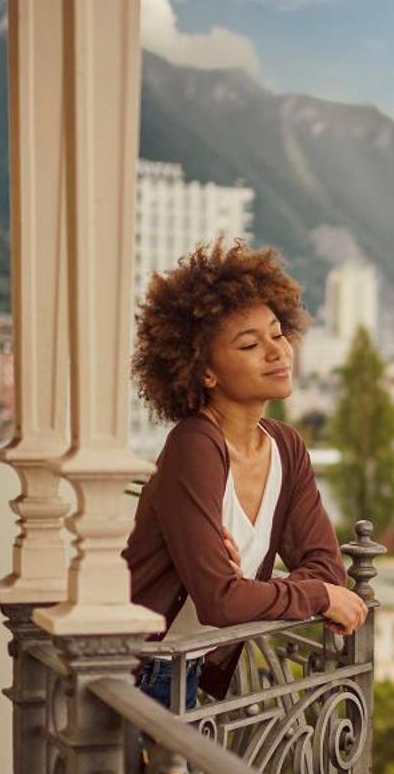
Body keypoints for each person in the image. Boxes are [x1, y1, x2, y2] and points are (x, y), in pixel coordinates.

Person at [123, 242, 368, 706]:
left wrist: (254, 590)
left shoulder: (286, 446)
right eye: (250, 345)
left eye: (278, 334)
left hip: (189, 671)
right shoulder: (194, 445)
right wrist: (314, 595)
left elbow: (327, 567)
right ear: (206, 371)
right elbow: (220, 602)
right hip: (137, 676)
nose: (277, 352)